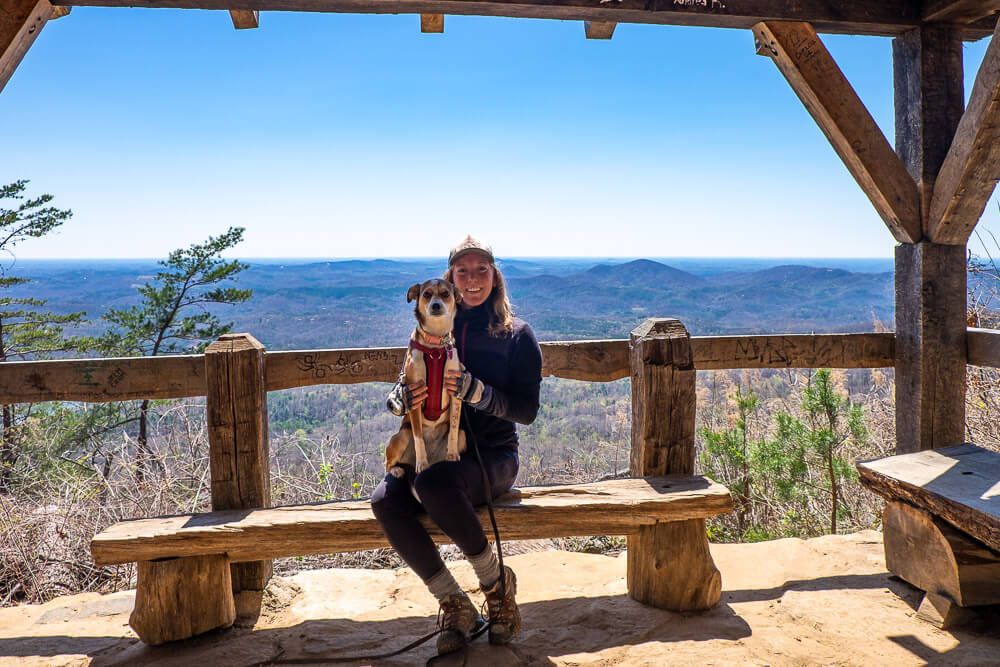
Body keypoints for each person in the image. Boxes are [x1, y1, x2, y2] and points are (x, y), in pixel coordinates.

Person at [372, 235, 543, 655]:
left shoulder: (517, 335)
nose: (471, 280)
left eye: (480, 270)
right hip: (436, 447)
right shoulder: (438, 327)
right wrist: (397, 400)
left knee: (432, 485)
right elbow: (405, 380)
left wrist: (477, 392)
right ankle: (455, 604)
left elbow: (526, 410)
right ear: (449, 280)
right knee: (385, 500)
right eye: (461, 272)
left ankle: (497, 589)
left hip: (494, 455)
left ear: (495, 277)